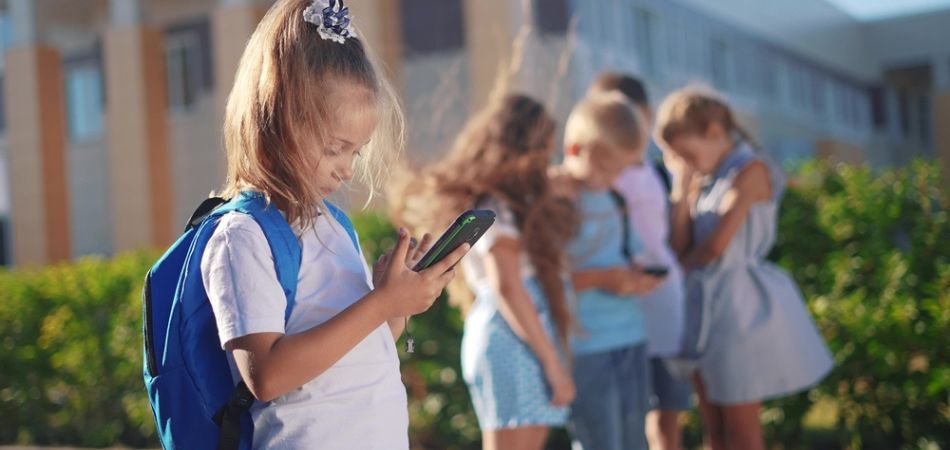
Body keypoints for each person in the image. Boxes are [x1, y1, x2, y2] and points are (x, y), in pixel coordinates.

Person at [200, 0, 468, 447]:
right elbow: (266, 375)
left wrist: (395, 302)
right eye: (333, 149)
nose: (346, 169)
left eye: (355, 152)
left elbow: (365, 345)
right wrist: (379, 305)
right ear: (275, 123)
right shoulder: (243, 236)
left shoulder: (334, 226)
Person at [393, 94, 578, 450]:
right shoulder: (500, 210)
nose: (547, 160)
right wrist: (553, 365)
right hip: (515, 342)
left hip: (515, 339)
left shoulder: (502, 205)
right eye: (543, 150)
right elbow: (507, 285)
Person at [656, 87, 833, 450]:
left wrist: (677, 274)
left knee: (740, 427)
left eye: (687, 153)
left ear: (714, 132)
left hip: (738, 311)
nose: (685, 163)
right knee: (714, 427)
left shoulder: (750, 169)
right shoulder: (704, 180)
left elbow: (714, 246)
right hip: (704, 309)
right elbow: (678, 246)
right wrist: (682, 192)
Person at [551, 92, 664, 450]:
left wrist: (635, 275)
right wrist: (603, 280)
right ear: (574, 150)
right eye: (606, 168)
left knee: (635, 440)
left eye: (620, 169)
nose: (613, 178)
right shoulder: (557, 201)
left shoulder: (615, 198)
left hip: (629, 336)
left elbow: (620, 252)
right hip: (587, 346)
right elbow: (544, 281)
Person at [588, 73, 693, 450]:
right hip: (616, 317)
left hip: (662, 307)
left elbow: (671, 241)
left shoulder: (657, 173)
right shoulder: (589, 179)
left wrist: (682, 191)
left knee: (667, 418)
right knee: (624, 425)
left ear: (643, 114)